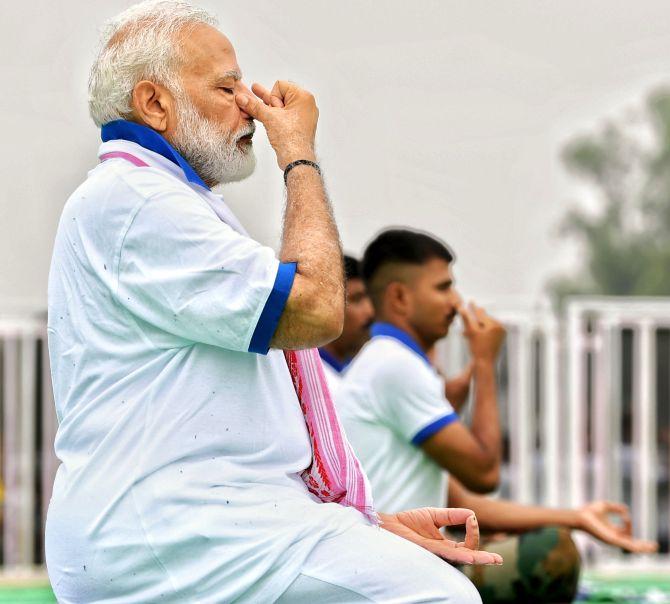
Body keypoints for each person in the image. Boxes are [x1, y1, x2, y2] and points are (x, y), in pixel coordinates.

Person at [45, 3, 501, 602]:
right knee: (444, 597)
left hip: (203, 530)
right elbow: (314, 310)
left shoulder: (162, 199)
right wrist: (299, 156)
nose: (251, 104)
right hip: (175, 532)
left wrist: (364, 525)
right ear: (154, 103)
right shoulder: (136, 200)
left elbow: (237, 431)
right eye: (227, 85)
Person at [337, 228, 658, 604]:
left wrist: (577, 516)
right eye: (443, 288)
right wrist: (485, 364)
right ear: (400, 297)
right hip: (389, 574)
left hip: (398, 563)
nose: (456, 303)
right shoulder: (393, 364)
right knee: (549, 552)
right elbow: (485, 473)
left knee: (546, 537)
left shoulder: (391, 362)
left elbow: (470, 503)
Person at [318, 255, 374, 393]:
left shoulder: (358, 374)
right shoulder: (304, 379)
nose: (370, 312)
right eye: (356, 299)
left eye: (371, 299)